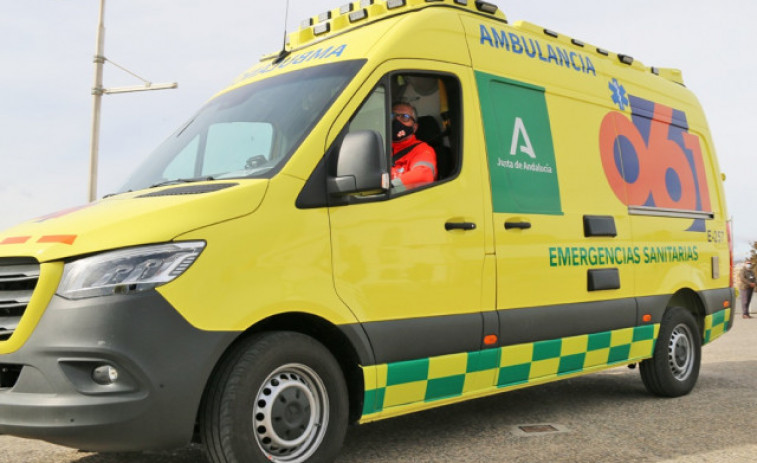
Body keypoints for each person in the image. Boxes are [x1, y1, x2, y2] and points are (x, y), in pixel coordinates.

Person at [390, 102, 437, 191]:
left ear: (414, 127)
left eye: (405, 117)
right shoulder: (380, 147)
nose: (397, 120)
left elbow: (424, 176)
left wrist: (389, 189)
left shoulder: (422, 150)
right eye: (392, 115)